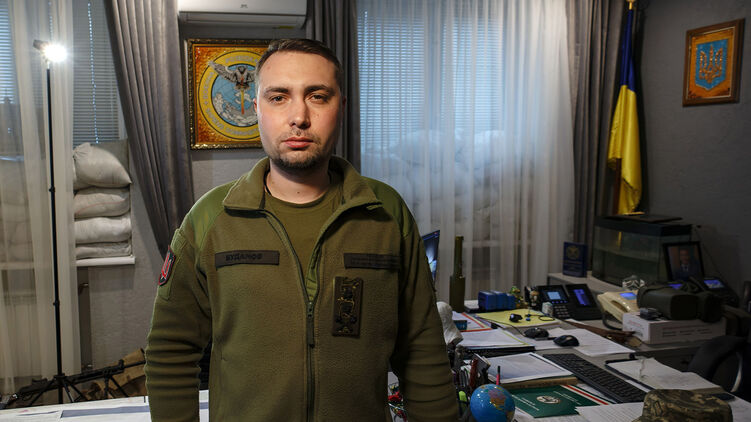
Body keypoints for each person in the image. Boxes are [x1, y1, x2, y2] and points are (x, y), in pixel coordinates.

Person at [144, 39, 458, 422]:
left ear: (342, 107)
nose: (299, 117)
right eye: (279, 97)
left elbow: (422, 349)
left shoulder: (386, 213)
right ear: (257, 109)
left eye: (317, 96)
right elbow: (170, 351)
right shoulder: (211, 219)